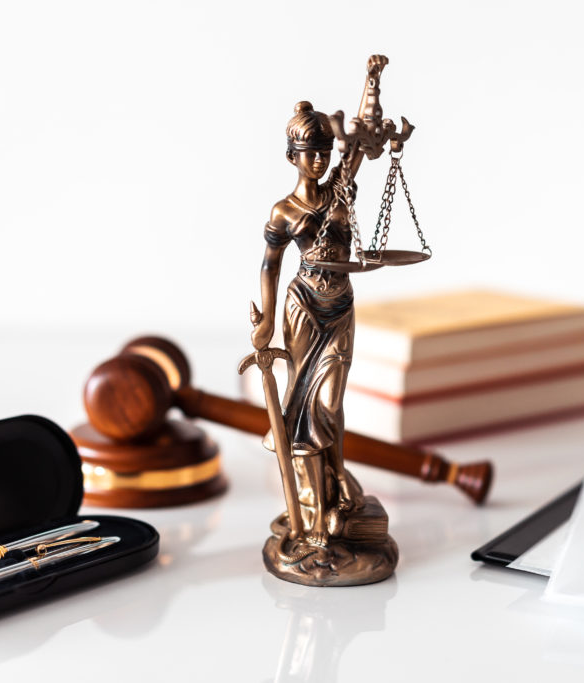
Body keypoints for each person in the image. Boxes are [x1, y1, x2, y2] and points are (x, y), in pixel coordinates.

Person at [250, 57, 387, 548]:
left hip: (340, 308)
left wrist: (373, 80)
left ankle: (336, 482)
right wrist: (266, 321)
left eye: (324, 152)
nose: (321, 160)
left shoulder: (340, 193)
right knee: (307, 408)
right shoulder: (284, 211)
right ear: (292, 156)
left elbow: (363, 131)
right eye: (310, 153)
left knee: (332, 401)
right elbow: (270, 265)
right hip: (304, 307)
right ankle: (313, 507)